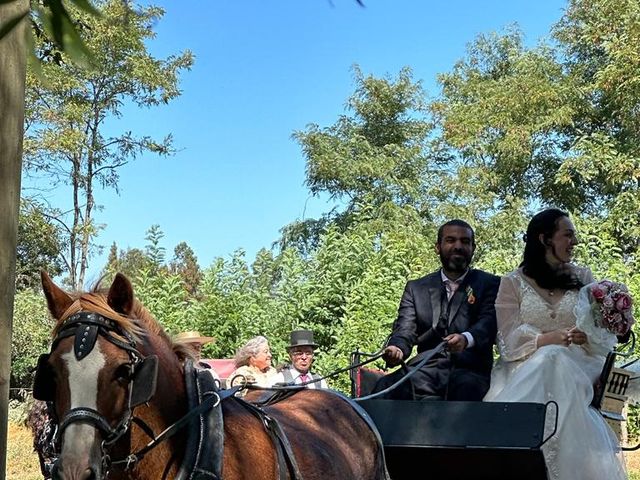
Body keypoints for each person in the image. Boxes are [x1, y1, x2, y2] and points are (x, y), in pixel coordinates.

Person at [484, 208, 626, 480]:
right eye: (568, 235)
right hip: (523, 367)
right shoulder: (511, 283)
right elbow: (507, 338)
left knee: (556, 359)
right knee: (550, 357)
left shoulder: (584, 277)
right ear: (545, 239)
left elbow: (601, 334)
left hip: (580, 364)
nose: (575, 242)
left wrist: (588, 337)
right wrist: (544, 340)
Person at [374, 219, 500, 401]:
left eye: (465, 242)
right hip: (424, 370)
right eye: (450, 240)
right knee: (383, 388)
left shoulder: (492, 284)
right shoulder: (415, 288)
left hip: (471, 371)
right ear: (437, 247)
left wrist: (466, 339)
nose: (458, 246)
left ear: (473, 248)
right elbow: (405, 330)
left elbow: (488, 323)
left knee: (466, 390)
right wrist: (397, 349)